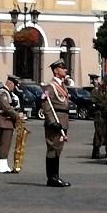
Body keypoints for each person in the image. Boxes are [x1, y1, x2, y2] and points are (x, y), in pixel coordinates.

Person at [39, 59, 71, 187]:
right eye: (62, 68)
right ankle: (51, 177)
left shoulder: (63, 85)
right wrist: (52, 121)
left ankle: (55, 176)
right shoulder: (50, 87)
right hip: (56, 121)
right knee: (53, 149)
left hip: (63, 121)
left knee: (58, 149)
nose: (65, 70)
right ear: (56, 71)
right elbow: (46, 105)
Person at [0, 74, 23, 173]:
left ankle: (4, 163)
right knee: (4, 143)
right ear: (10, 84)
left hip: (8, 120)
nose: (14, 88)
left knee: (7, 143)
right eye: (14, 85)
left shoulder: (8, 93)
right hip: (4, 120)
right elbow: (6, 107)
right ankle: (1, 164)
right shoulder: (3, 93)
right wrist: (17, 115)